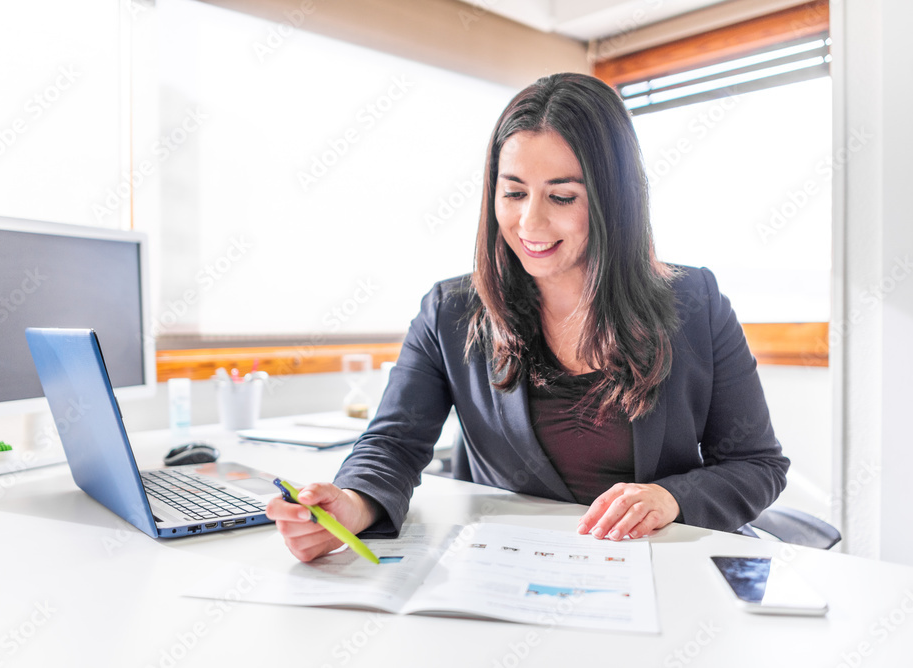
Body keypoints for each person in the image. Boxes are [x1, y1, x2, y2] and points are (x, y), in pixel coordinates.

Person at [267, 72, 790, 562]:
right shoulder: (450, 312)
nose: (530, 222)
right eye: (513, 192)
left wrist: (670, 498)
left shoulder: (694, 302)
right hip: (514, 572)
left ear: (615, 200)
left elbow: (758, 464)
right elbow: (394, 441)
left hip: (660, 569)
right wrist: (354, 505)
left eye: (562, 196)